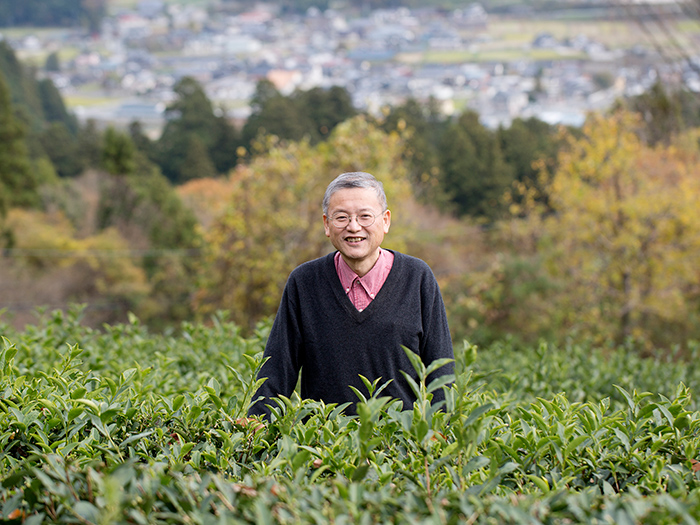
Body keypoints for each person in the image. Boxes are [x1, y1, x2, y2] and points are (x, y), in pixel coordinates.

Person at [247, 171, 454, 421]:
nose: (354, 227)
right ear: (326, 224)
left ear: (386, 221)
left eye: (365, 216)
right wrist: (254, 428)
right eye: (342, 217)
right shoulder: (304, 282)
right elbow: (278, 369)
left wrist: (441, 433)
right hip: (324, 449)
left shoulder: (417, 277)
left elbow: (441, 370)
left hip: (399, 447)